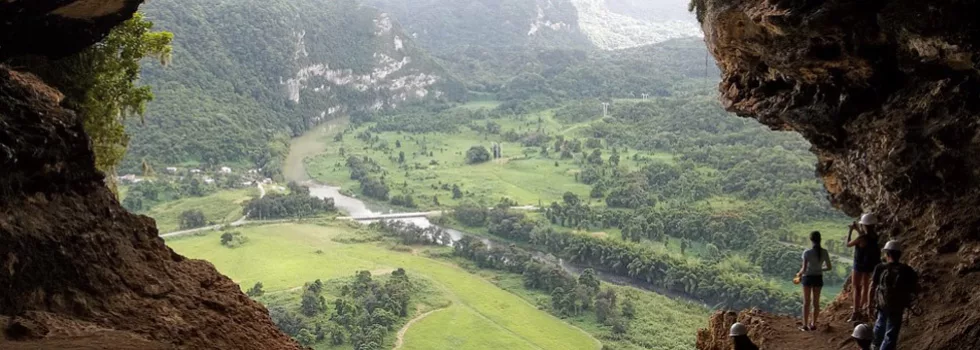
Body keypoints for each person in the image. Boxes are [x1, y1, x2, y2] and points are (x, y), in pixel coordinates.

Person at [869, 240, 919, 350]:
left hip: (882, 304)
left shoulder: (880, 268)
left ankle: (875, 347)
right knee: (891, 333)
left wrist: (869, 305)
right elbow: (914, 287)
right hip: (897, 305)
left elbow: (872, 287)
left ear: (887, 254)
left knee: (879, 325)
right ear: (900, 254)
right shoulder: (906, 270)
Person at [847, 213, 881, 322]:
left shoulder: (861, 238)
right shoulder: (875, 236)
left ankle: (855, 312)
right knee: (866, 287)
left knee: (856, 287)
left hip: (858, 265)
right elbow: (865, 238)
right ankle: (864, 309)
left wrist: (851, 231)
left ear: (864, 225)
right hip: (869, 266)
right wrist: (858, 230)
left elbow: (848, 244)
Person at [799, 231, 832, 331]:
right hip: (818, 278)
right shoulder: (824, 252)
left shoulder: (807, 252)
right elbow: (829, 267)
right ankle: (813, 324)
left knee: (806, 302)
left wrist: (799, 274)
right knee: (816, 303)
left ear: (811, 240)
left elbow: (804, 269)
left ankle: (805, 325)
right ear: (820, 239)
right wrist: (819, 269)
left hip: (807, 278)